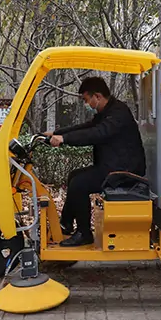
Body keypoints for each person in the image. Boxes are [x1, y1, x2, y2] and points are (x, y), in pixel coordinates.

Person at [46, 77, 146, 247]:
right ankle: (66, 223)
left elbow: (98, 133)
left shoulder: (118, 113)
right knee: (74, 176)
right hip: (113, 166)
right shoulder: (108, 111)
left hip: (124, 172)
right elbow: (88, 127)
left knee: (79, 183)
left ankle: (84, 233)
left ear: (97, 96)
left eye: (87, 100)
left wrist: (64, 138)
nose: (87, 104)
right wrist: (56, 132)